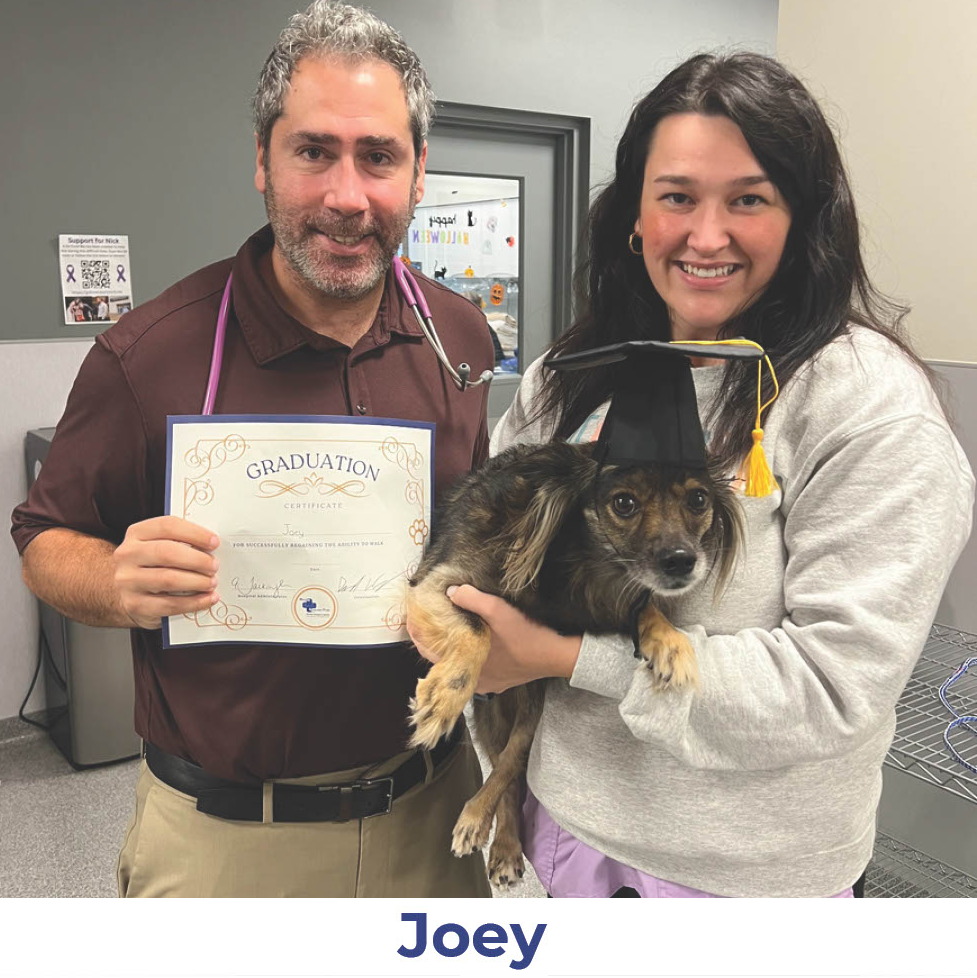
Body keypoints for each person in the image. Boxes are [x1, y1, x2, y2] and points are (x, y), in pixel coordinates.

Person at [414, 52, 975, 897]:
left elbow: (834, 687)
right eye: (676, 197)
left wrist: (569, 659)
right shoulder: (569, 377)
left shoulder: (865, 406)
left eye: (747, 199)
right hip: (558, 837)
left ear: (803, 219)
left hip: (746, 880)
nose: (706, 237)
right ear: (634, 216)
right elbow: (492, 570)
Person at [12, 0, 493, 898]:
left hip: (433, 814)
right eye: (313, 152)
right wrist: (114, 579)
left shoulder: (459, 339)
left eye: (378, 157)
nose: (346, 197)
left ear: (419, 173)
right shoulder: (148, 356)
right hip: (228, 843)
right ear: (263, 163)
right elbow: (43, 538)